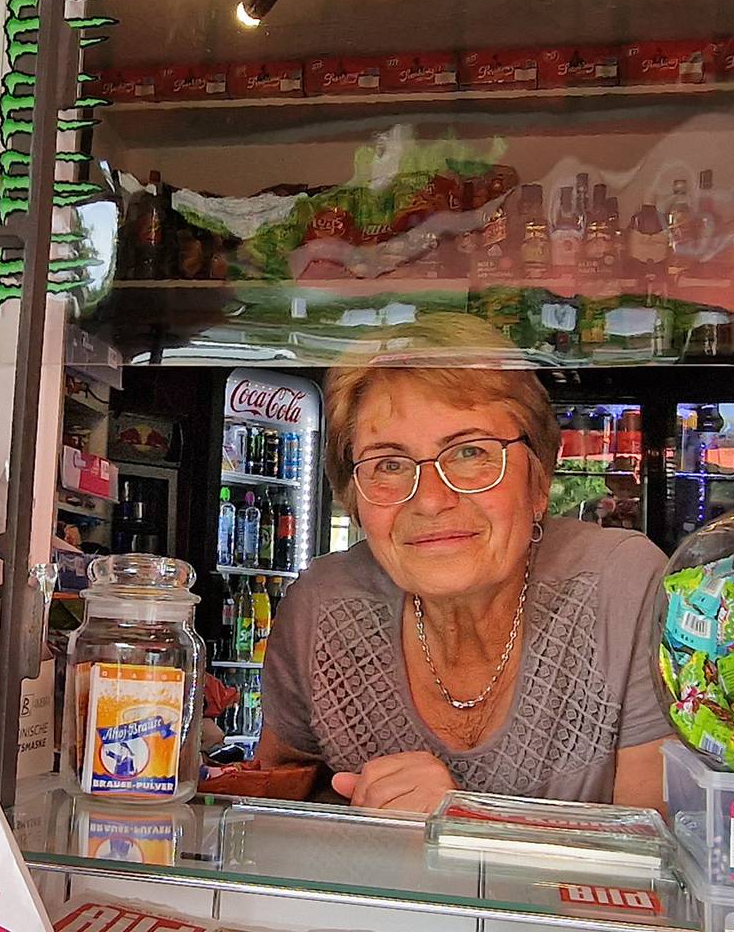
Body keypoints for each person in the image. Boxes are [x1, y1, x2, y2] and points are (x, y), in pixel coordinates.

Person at [258, 312, 672, 813]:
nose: (430, 500)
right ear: (353, 493)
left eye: (470, 453)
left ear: (538, 479)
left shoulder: (623, 589)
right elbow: (275, 810)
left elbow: (659, 859)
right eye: (389, 464)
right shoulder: (321, 609)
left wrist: (466, 823)